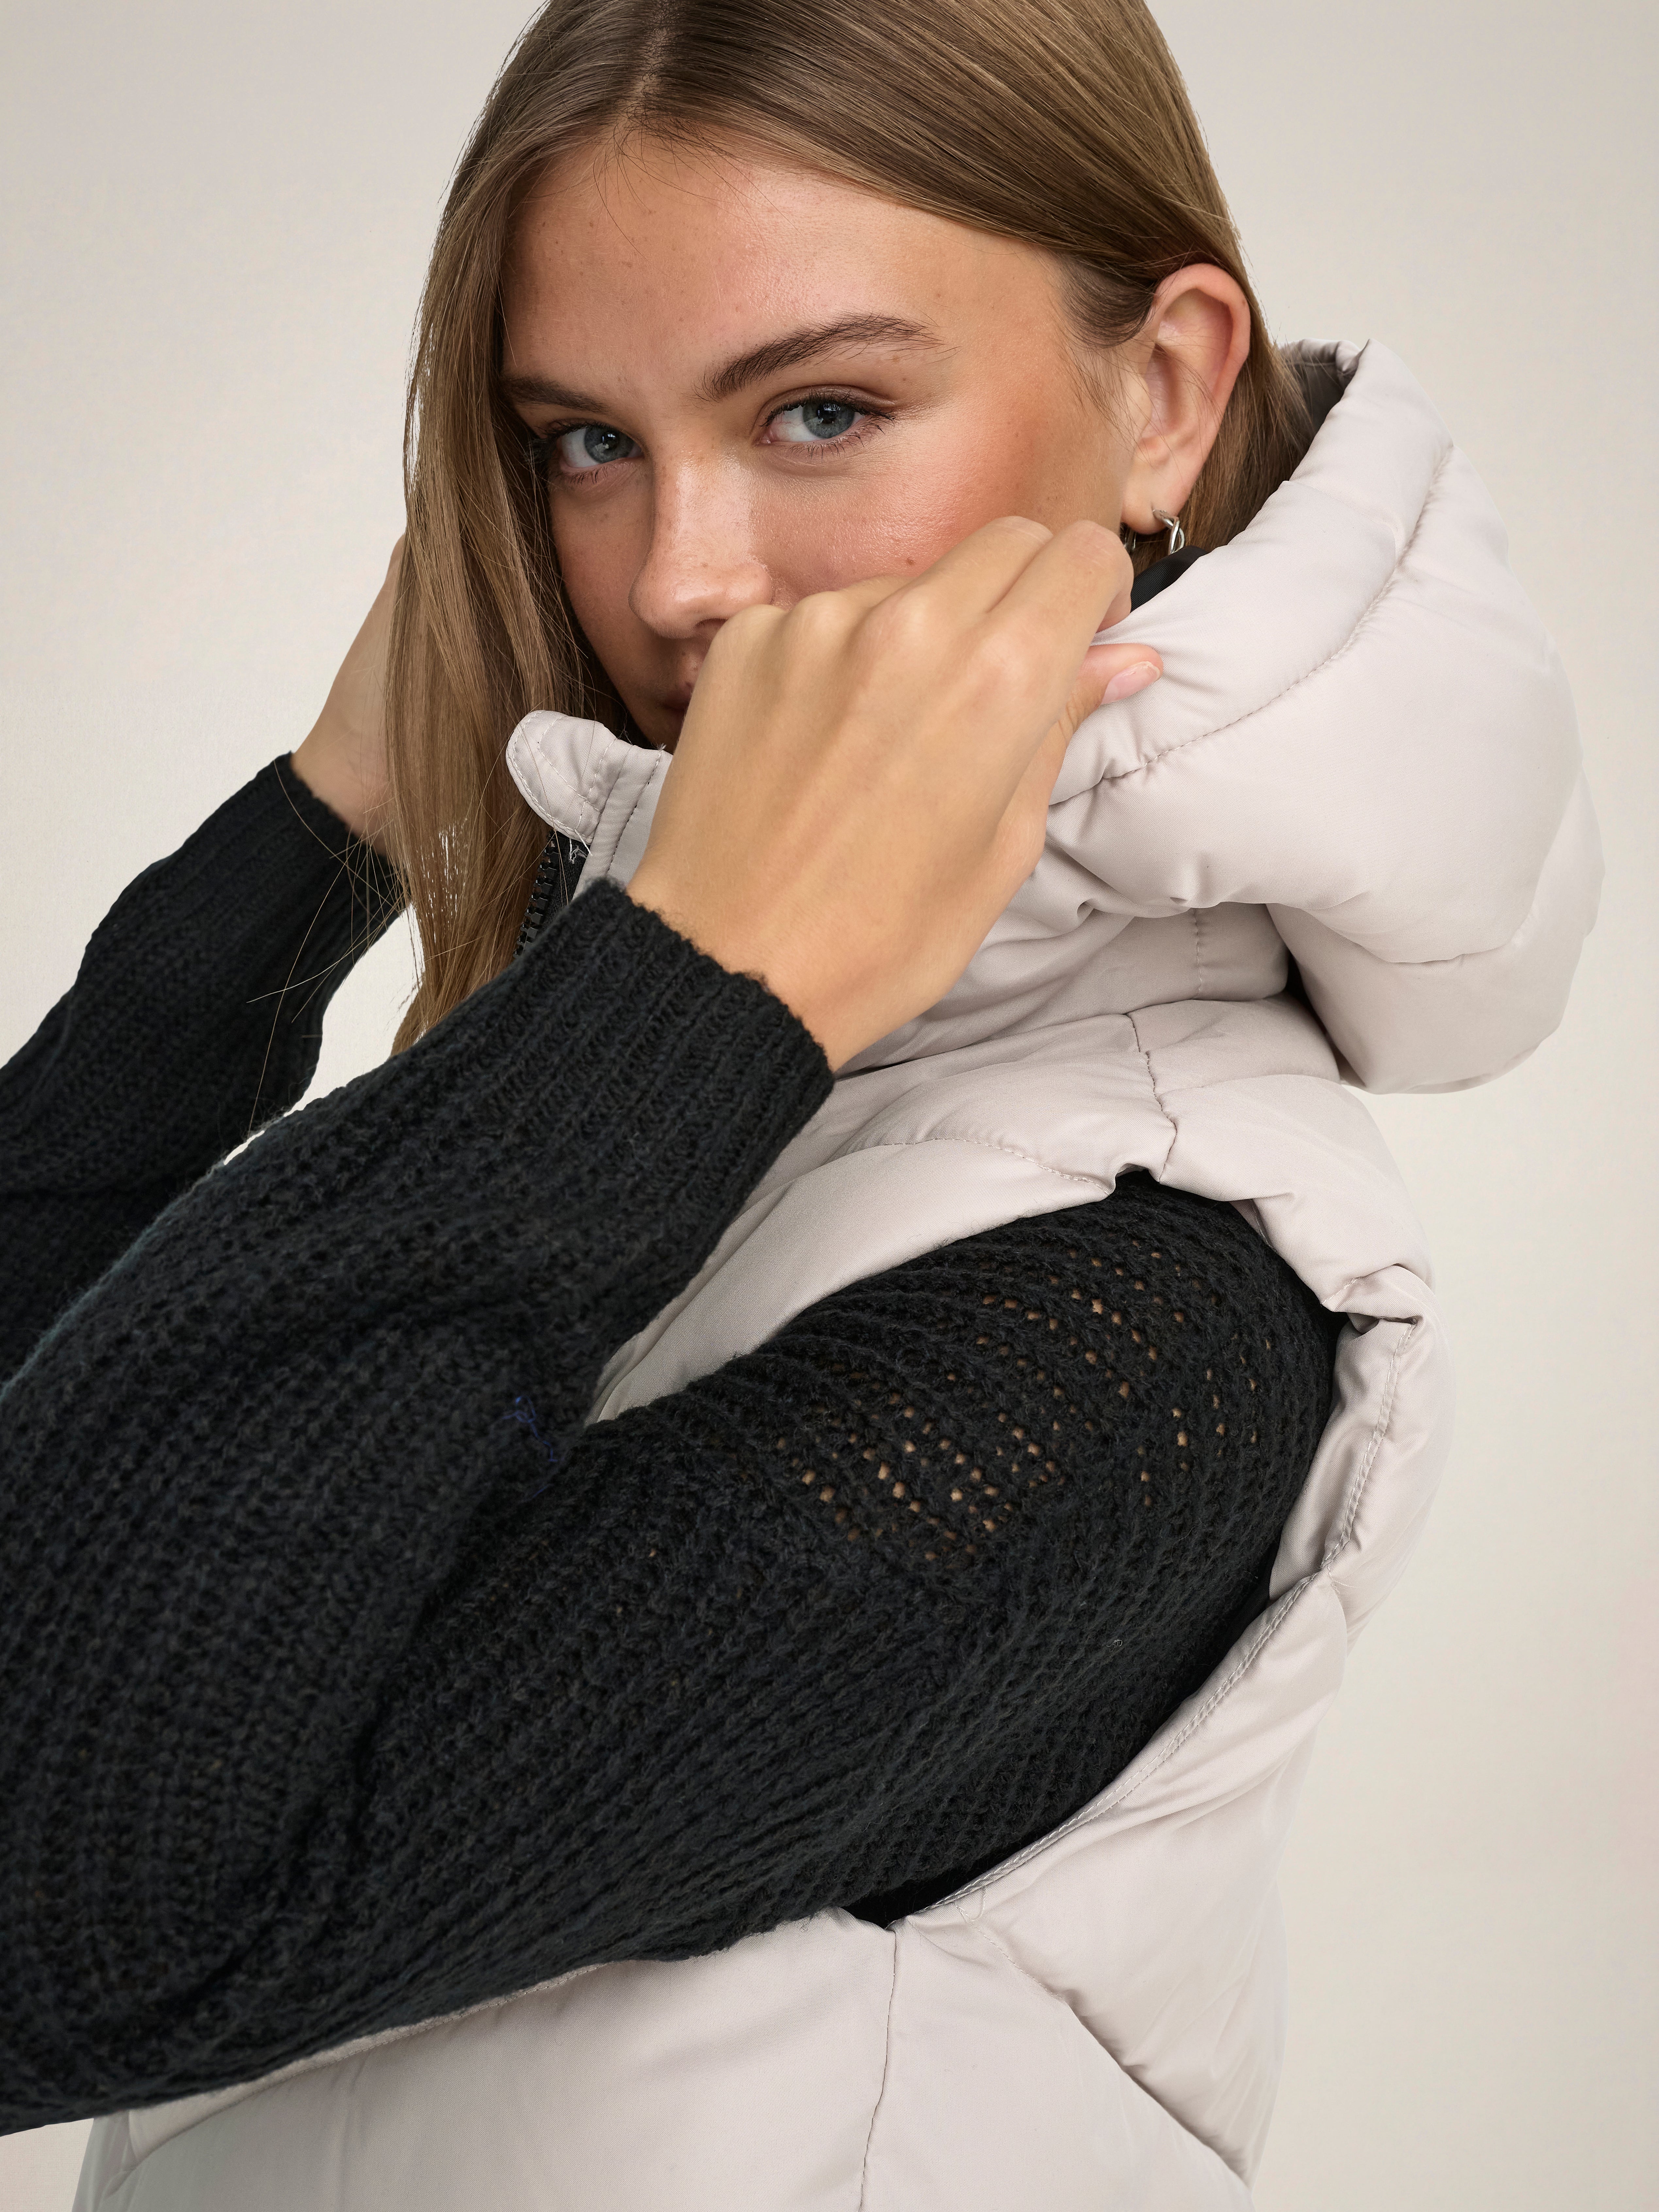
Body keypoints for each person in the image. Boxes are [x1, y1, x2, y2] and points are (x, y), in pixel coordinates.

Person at [0, 2, 1599, 2205]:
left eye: (821, 412)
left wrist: (696, 984)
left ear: (1162, 393)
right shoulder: (679, 1106)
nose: (676, 581)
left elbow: (48, 1912)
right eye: (583, 443)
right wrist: (328, 822)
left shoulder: (1141, 1296)